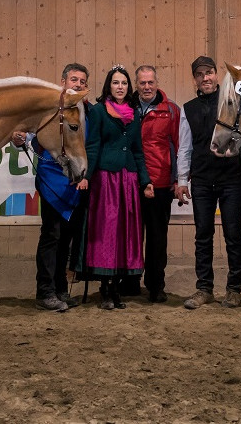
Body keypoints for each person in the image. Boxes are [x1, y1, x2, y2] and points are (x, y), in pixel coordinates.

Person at [176, 55, 241, 310]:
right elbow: (184, 148)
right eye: (200, 75)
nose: (205, 78)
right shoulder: (188, 109)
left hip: (232, 179)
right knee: (202, 236)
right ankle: (204, 288)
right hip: (202, 181)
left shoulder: (233, 100)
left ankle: (233, 289)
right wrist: (182, 179)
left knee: (234, 235)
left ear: (216, 75)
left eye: (209, 73)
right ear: (195, 79)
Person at [75, 65, 155, 310]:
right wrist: (87, 175)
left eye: (123, 83)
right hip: (106, 180)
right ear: (109, 86)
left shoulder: (134, 113)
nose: (120, 87)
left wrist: (145, 181)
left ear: (128, 88)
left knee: (124, 233)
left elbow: (138, 151)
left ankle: (116, 287)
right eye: (115, 83)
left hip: (128, 180)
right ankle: (105, 288)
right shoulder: (99, 111)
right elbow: (93, 146)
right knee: (107, 232)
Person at [14, 63, 89, 312]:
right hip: (50, 176)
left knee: (66, 237)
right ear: (63, 81)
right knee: (51, 235)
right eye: (73, 80)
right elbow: (26, 134)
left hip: (76, 178)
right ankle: (44, 291)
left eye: (82, 81)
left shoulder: (87, 110)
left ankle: (60, 289)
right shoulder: (47, 108)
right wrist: (20, 138)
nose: (77, 84)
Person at [119, 65, 181, 303]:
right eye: (142, 83)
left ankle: (156, 286)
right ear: (136, 84)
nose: (146, 87)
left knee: (157, 238)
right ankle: (130, 282)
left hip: (161, 184)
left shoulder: (171, 111)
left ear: (157, 83)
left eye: (150, 82)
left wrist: (177, 180)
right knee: (130, 236)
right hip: (130, 182)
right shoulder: (124, 108)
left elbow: (179, 147)